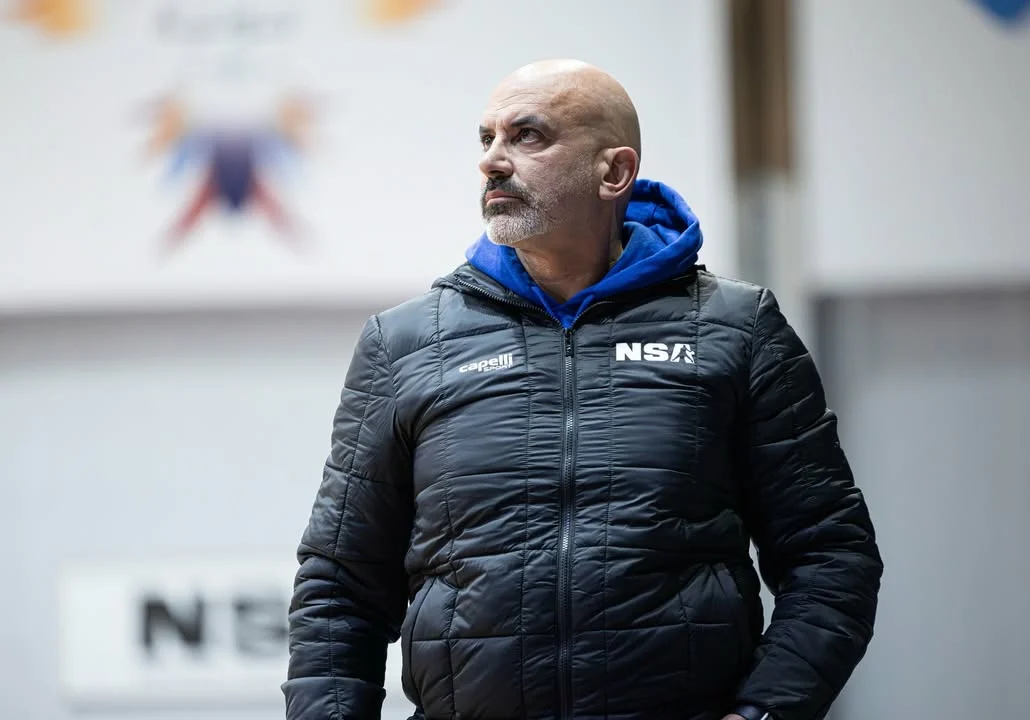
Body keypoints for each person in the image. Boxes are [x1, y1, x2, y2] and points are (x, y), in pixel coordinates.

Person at [283, 59, 882, 720]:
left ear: (614, 172)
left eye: (527, 136)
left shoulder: (735, 329)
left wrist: (763, 713)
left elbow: (831, 556)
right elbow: (340, 586)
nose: (491, 161)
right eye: (486, 138)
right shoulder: (405, 343)